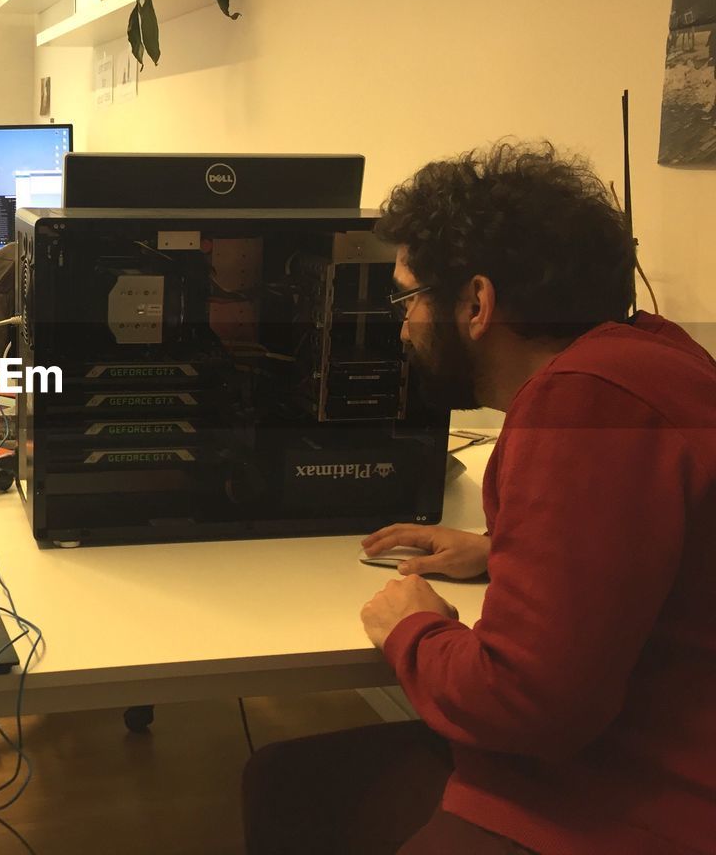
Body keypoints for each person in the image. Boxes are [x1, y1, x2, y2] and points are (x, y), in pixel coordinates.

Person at [242, 142, 716, 854]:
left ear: (475, 303)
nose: (402, 325)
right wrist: (507, 551)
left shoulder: (580, 403)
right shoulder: (657, 357)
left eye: (407, 298)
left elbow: (530, 706)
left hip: (629, 800)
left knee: (288, 787)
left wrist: (417, 628)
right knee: (284, 780)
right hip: (641, 747)